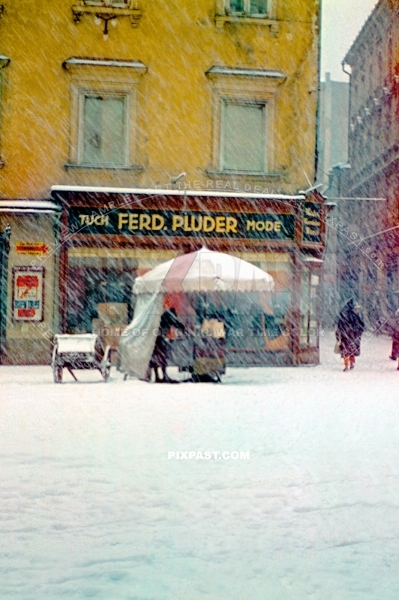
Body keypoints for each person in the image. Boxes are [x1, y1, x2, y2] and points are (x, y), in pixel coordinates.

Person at [149, 308, 185, 383]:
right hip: (159, 338)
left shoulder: (164, 316)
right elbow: (176, 323)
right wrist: (183, 328)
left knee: (156, 358)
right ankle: (163, 375)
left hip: (154, 338)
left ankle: (157, 376)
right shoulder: (169, 316)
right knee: (162, 358)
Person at [335, 299, 365, 371]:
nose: (357, 310)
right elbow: (361, 326)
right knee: (352, 351)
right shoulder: (355, 316)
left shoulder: (344, 315)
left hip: (346, 336)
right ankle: (351, 364)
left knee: (346, 351)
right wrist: (358, 332)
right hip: (352, 337)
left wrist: (339, 335)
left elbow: (339, 326)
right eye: (356, 308)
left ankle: (347, 365)